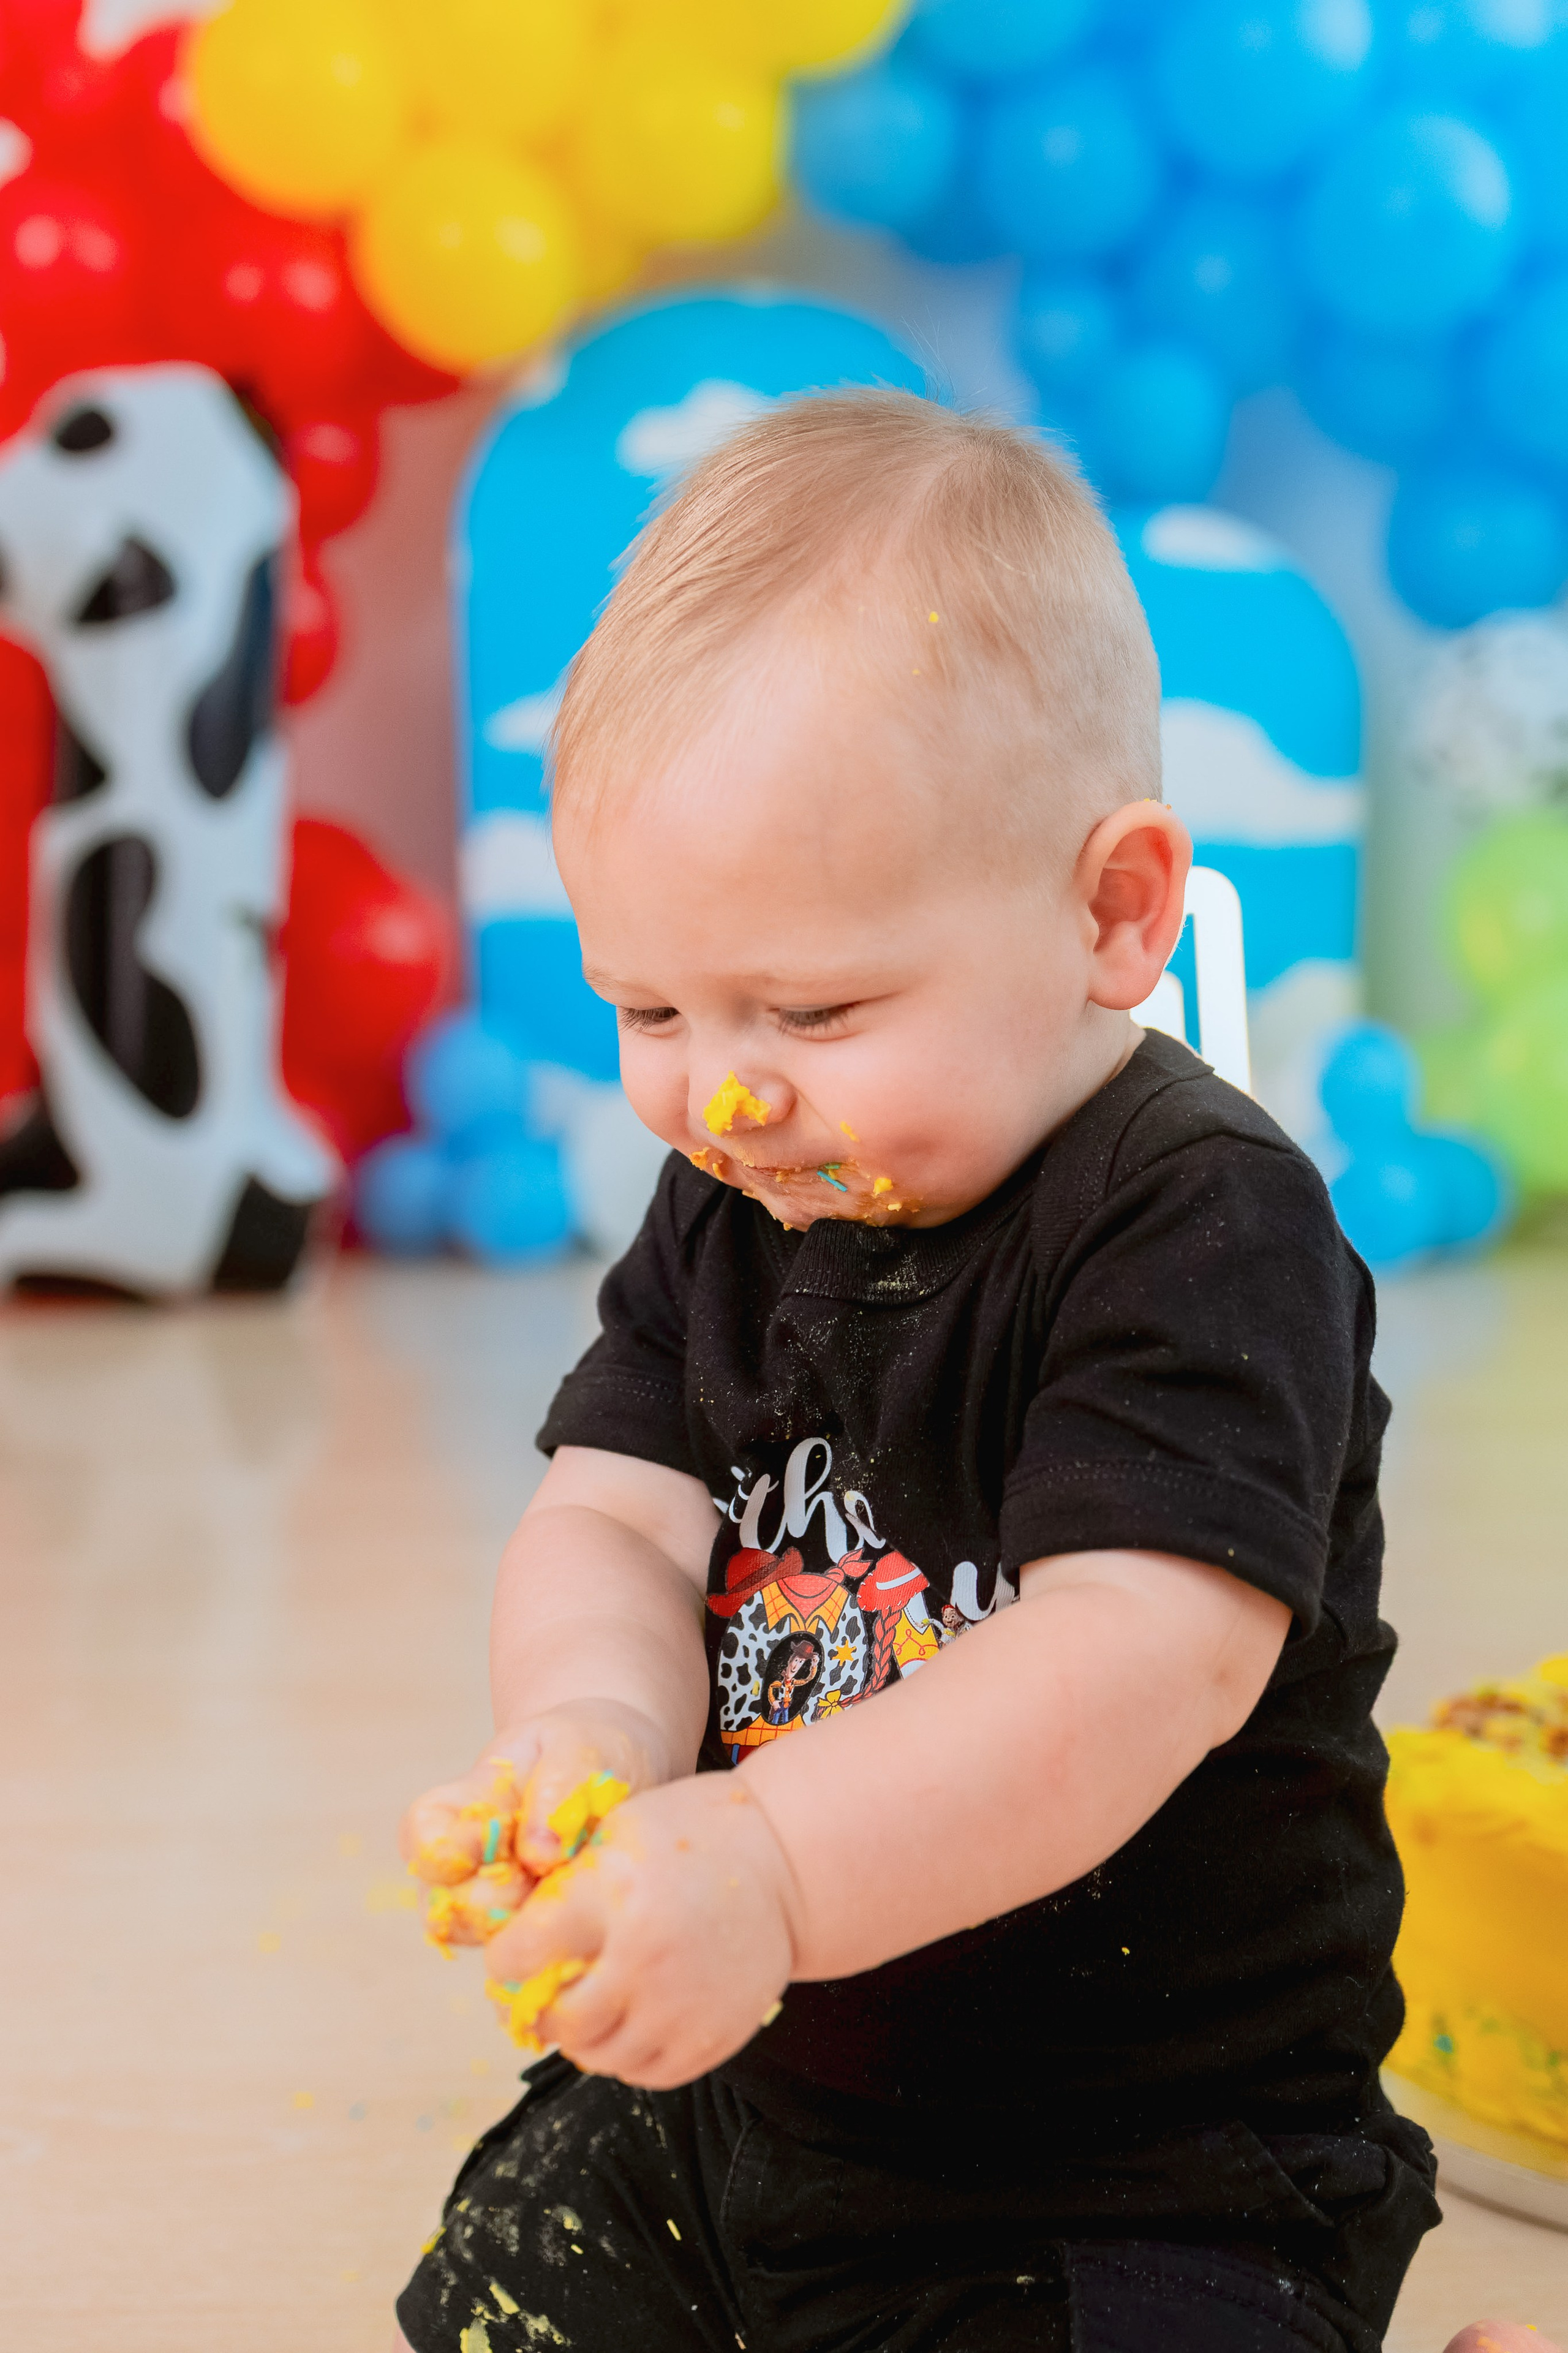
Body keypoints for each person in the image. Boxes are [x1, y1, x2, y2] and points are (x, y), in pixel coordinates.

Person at [392, 393, 1526, 2353]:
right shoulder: (745, 1192)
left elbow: (1131, 1661)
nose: (718, 1089)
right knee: (510, 2281)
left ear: (1112, 911)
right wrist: (595, 1727)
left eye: (813, 1007)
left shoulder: (1202, 1229)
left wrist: (766, 1855)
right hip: (790, 2088)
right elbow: (618, 1513)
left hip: (1137, 2150)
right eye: (649, 1004)